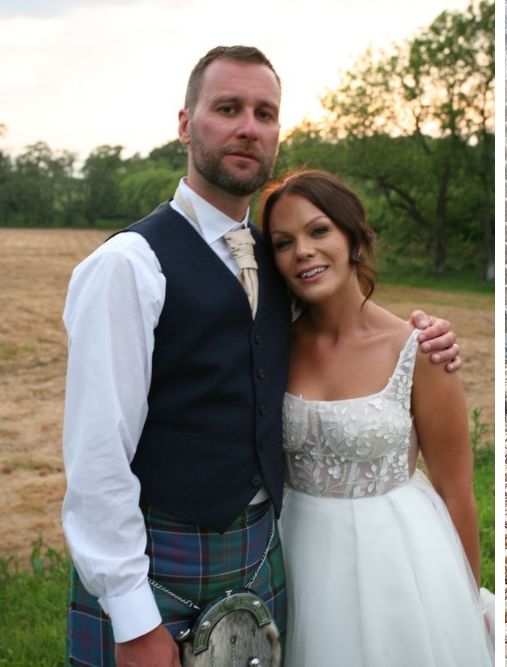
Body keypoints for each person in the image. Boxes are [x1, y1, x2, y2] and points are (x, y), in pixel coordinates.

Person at [62, 45, 460, 667]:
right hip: (159, 563)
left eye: (265, 112)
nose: (249, 126)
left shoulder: (276, 261)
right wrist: (133, 618)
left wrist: (427, 332)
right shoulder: (127, 267)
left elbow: (341, 324)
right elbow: (96, 461)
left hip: (263, 556)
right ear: (186, 124)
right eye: (228, 108)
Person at [259, 169, 493, 666]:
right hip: (294, 556)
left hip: (397, 563)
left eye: (318, 231)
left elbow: (456, 492)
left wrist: (465, 605)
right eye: (284, 242)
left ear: (353, 239)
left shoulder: (419, 349)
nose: (302, 250)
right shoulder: (270, 346)